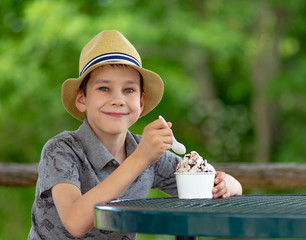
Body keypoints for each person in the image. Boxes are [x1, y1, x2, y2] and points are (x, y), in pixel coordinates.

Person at [28, 30, 242, 239]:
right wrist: (140, 158)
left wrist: (226, 184)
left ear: (140, 103)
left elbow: (213, 187)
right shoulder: (61, 150)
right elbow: (75, 222)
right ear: (82, 99)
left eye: (128, 90)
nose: (118, 99)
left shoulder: (149, 153)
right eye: (104, 88)